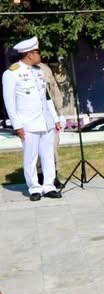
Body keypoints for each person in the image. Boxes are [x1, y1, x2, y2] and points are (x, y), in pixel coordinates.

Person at [1, 36, 62, 200]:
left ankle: (49, 186)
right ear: (30, 54)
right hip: (28, 123)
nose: (40, 55)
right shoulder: (11, 73)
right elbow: (9, 102)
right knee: (31, 157)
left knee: (48, 156)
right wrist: (17, 125)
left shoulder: (39, 71)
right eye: (38, 52)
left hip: (46, 121)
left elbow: (46, 98)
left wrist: (55, 119)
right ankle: (34, 188)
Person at [38, 61, 65, 189]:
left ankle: (53, 176)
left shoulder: (45, 69)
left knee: (52, 147)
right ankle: (39, 176)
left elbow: (54, 92)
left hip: (50, 114)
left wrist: (60, 114)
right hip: (33, 117)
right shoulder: (20, 71)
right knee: (36, 150)